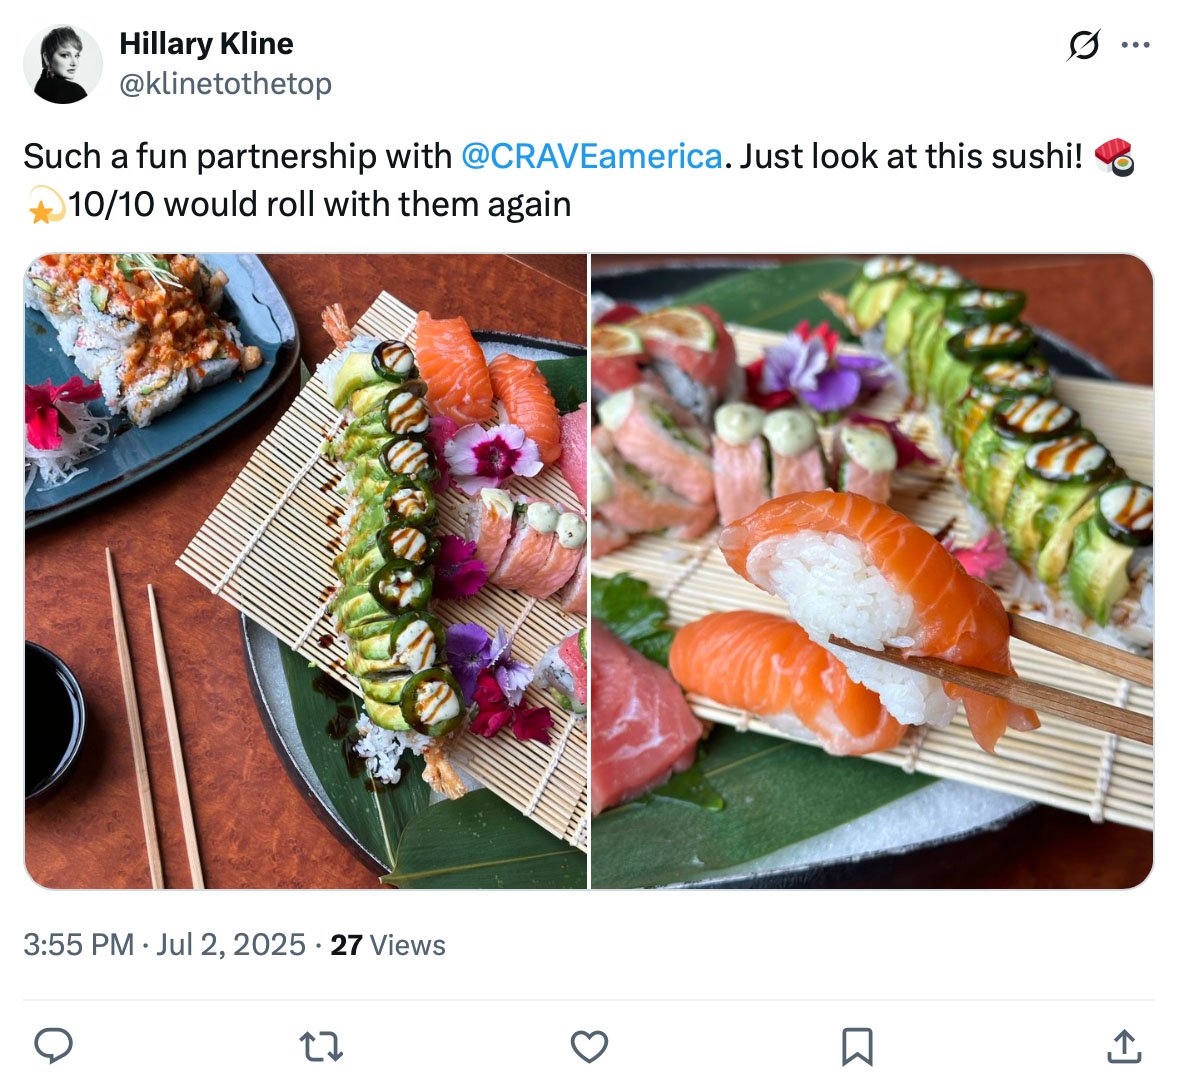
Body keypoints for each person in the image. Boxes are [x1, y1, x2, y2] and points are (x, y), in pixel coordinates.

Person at [34, 27, 86, 104]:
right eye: (65, 55)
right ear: (47, 58)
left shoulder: (40, 85)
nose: (74, 63)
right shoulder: (73, 91)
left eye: (76, 55)